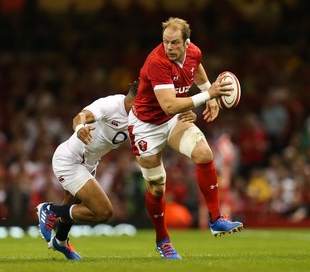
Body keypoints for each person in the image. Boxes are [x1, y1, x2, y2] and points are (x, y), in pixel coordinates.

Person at [36, 80, 198, 260]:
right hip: (69, 160)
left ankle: (60, 241)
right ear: (138, 99)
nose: (151, 106)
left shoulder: (140, 115)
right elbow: (79, 117)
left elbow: (167, 118)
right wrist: (81, 127)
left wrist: (186, 115)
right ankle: (51, 210)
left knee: (70, 205)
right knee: (103, 212)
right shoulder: (110, 105)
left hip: (89, 163)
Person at [127, 17, 243, 260]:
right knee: (157, 187)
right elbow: (169, 105)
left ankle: (216, 219)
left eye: (174, 43)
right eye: (165, 42)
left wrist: (208, 93)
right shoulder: (157, 61)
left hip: (171, 122)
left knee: (204, 153)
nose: (169, 47)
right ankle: (163, 240)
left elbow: (196, 67)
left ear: (186, 43)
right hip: (146, 126)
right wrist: (208, 95)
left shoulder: (194, 52)